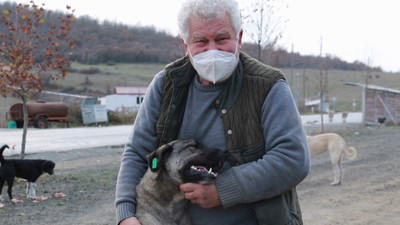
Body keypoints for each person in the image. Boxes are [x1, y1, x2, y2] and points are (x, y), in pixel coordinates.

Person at [115, 0, 310, 224]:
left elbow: (293, 159)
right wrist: (126, 214)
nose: (213, 50)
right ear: (186, 46)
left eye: (222, 38)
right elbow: (137, 154)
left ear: (239, 38)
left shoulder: (268, 86)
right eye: (201, 41)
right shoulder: (165, 85)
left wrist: (224, 190)